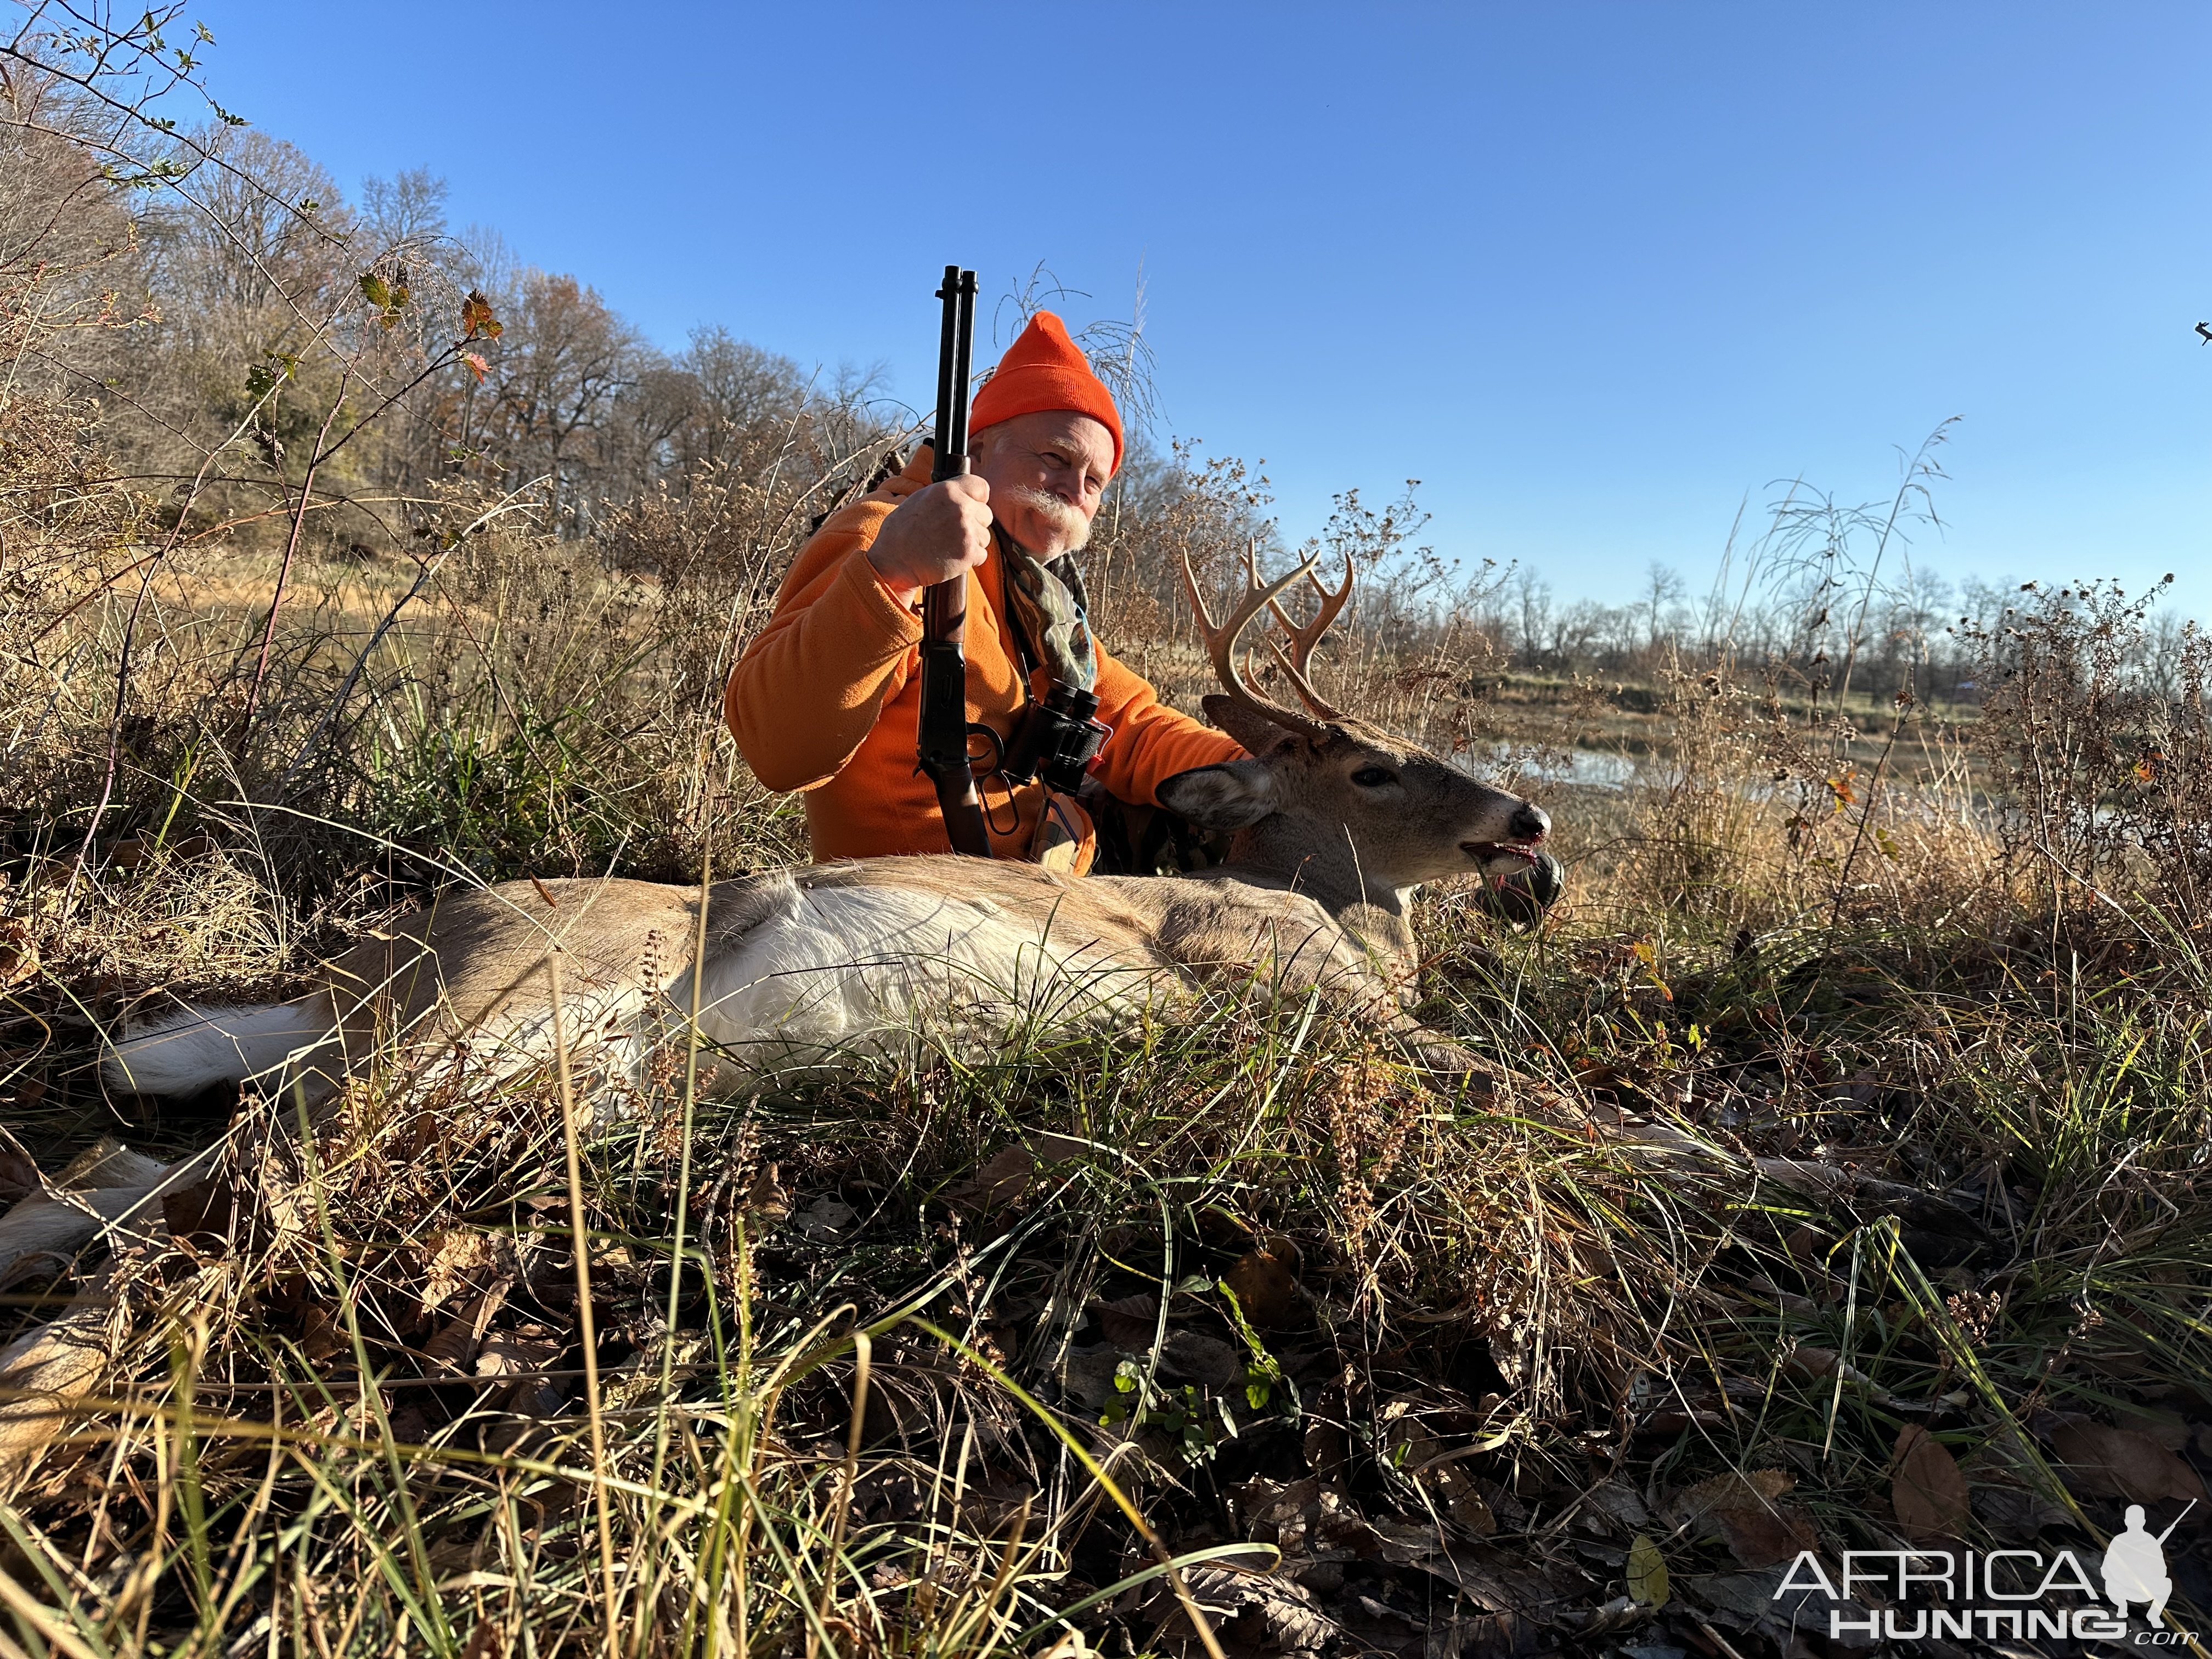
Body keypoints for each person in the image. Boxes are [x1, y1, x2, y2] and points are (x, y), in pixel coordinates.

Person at [724, 311, 1240, 871]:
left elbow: (1131, 725)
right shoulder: (884, 534)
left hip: (1035, 879)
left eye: (1094, 481)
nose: (1073, 489)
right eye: (1055, 459)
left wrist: (1267, 765)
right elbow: (777, 751)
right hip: (907, 909)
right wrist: (891, 575)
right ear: (978, 449)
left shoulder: (1037, 593)